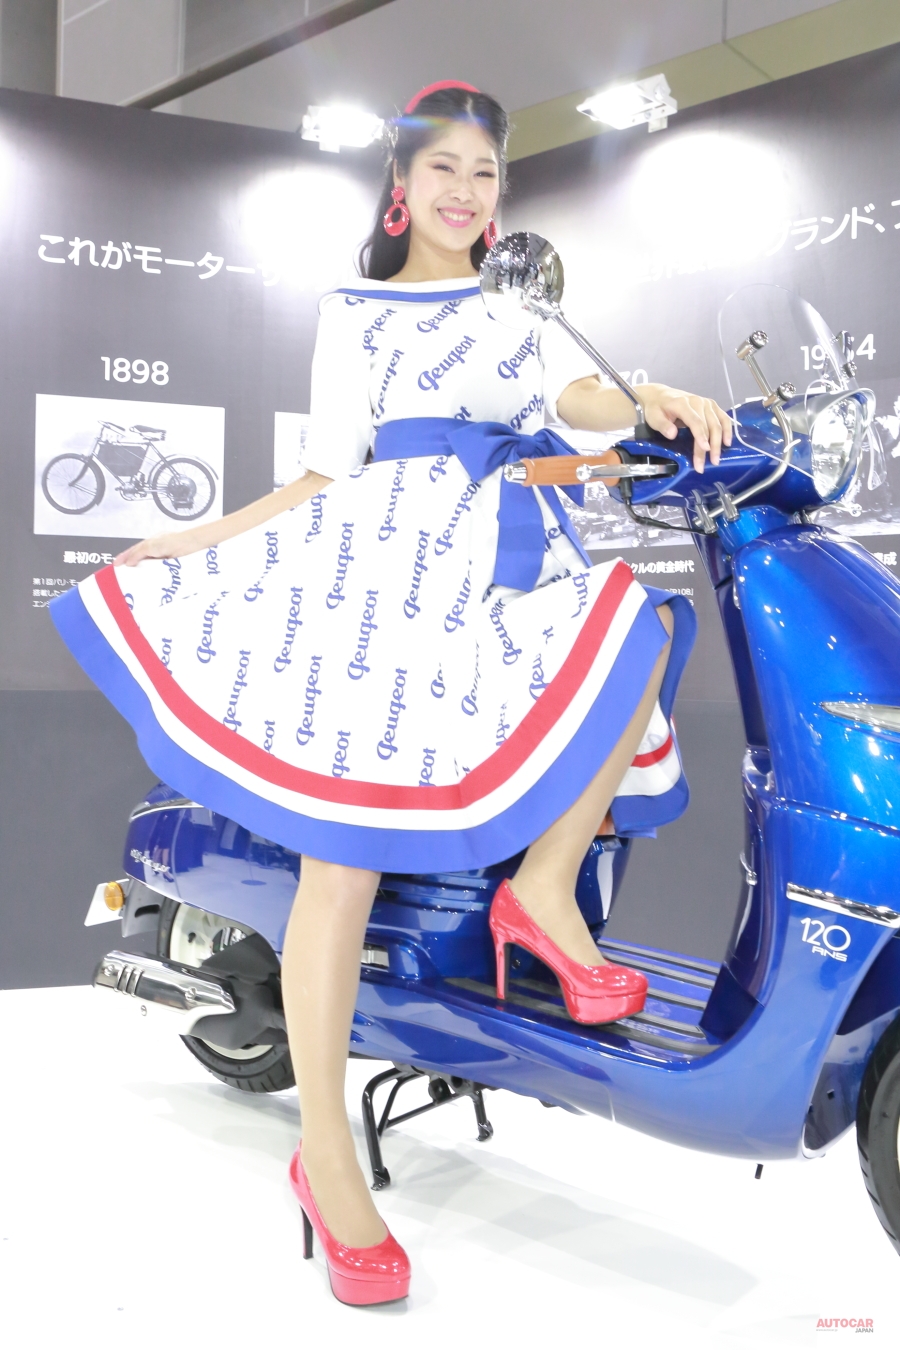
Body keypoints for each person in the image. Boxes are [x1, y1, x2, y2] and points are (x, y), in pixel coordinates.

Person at [51, 81, 731, 1306]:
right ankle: (325, 1154)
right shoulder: (355, 312)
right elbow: (324, 472)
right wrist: (196, 537)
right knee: (344, 865)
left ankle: (540, 896)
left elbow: (573, 401)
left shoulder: (518, 303)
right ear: (402, 187)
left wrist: (649, 399)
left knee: (637, 624)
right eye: (446, 169)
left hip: (504, 569)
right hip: (382, 588)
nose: (467, 192)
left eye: (487, 172)